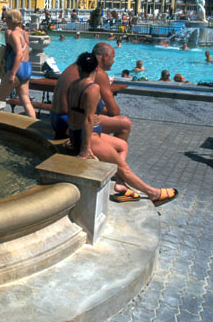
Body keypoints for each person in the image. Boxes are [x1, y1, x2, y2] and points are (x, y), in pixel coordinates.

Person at [67, 52, 178, 206]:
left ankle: (120, 182)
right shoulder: (92, 88)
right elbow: (88, 119)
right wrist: (84, 149)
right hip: (88, 138)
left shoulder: (73, 84)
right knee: (123, 167)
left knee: (122, 146)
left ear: (79, 68)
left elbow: (74, 113)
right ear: (97, 68)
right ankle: (154, 194)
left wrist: (71, 135)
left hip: (81, 134)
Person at [51, 42, 131, 142]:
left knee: (96, 114)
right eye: (113, 57)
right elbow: (114, 111)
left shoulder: (77, 65)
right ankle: (110, 154)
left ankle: (102, 148)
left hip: (55, 118)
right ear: (105, 56)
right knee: (125, 124)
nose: (114, 61)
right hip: (69, 122)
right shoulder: (98, 72)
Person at [0, 9, 35, 118]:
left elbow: (19, 54)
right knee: (26, 102)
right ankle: (34, 125)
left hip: (16, 70)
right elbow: (27, 51)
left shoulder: (14, 34)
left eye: (6, 18)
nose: (4, 20)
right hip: (27, 68)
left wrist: (12, 73)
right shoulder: (25, 33)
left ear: (12, 19)